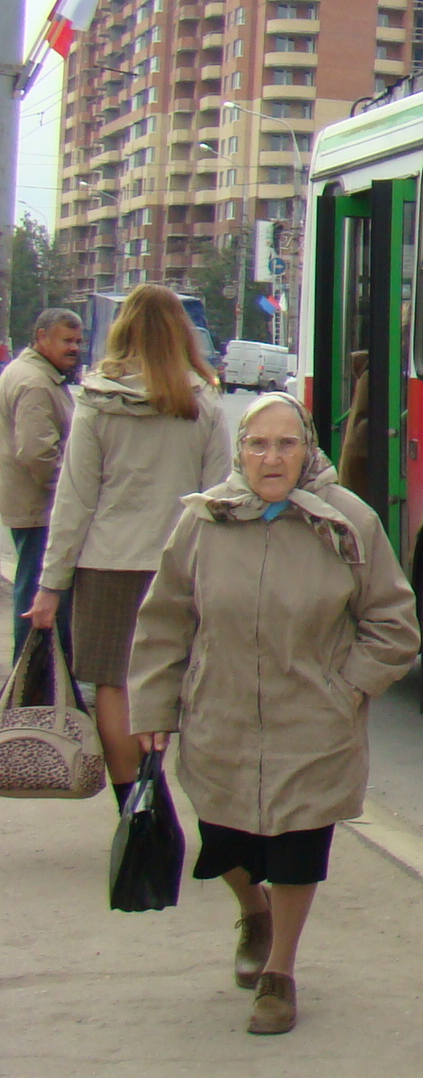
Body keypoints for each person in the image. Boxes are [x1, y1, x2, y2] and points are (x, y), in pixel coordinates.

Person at [128, 394, 419, 1034]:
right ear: (240, 451)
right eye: (258, 444)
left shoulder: (349, 522)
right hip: (220, 717)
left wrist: (345, 690)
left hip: (313, 724)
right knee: (224, 839)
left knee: (296, 849)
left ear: (308, 447)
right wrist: (154, 703)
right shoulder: (206, 521)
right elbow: (166, 618)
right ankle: (251, 908)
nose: (272, 458)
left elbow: (394, 624)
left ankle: (279, 973)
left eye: (287, 444)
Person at [24, 285, 230, 799]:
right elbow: (221, 495)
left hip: (107, 565)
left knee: (113, 686)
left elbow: (75, 501)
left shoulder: (96, 400)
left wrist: (51, 585)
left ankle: (135, 810)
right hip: (183, 567)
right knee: (174, 682)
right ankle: (163, 784)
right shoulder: (202, 401)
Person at [1, 307, 82, 659]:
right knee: (39, 594)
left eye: (79, 341)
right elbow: (37, 454)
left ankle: (36, 678)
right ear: (42, 337)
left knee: (34, 589)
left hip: (31, 504)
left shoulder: (35, 374)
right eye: (66, 340)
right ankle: (33, 680)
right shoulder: (35, 383)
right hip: (41, 509)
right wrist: (71, 492)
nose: (75, 348)